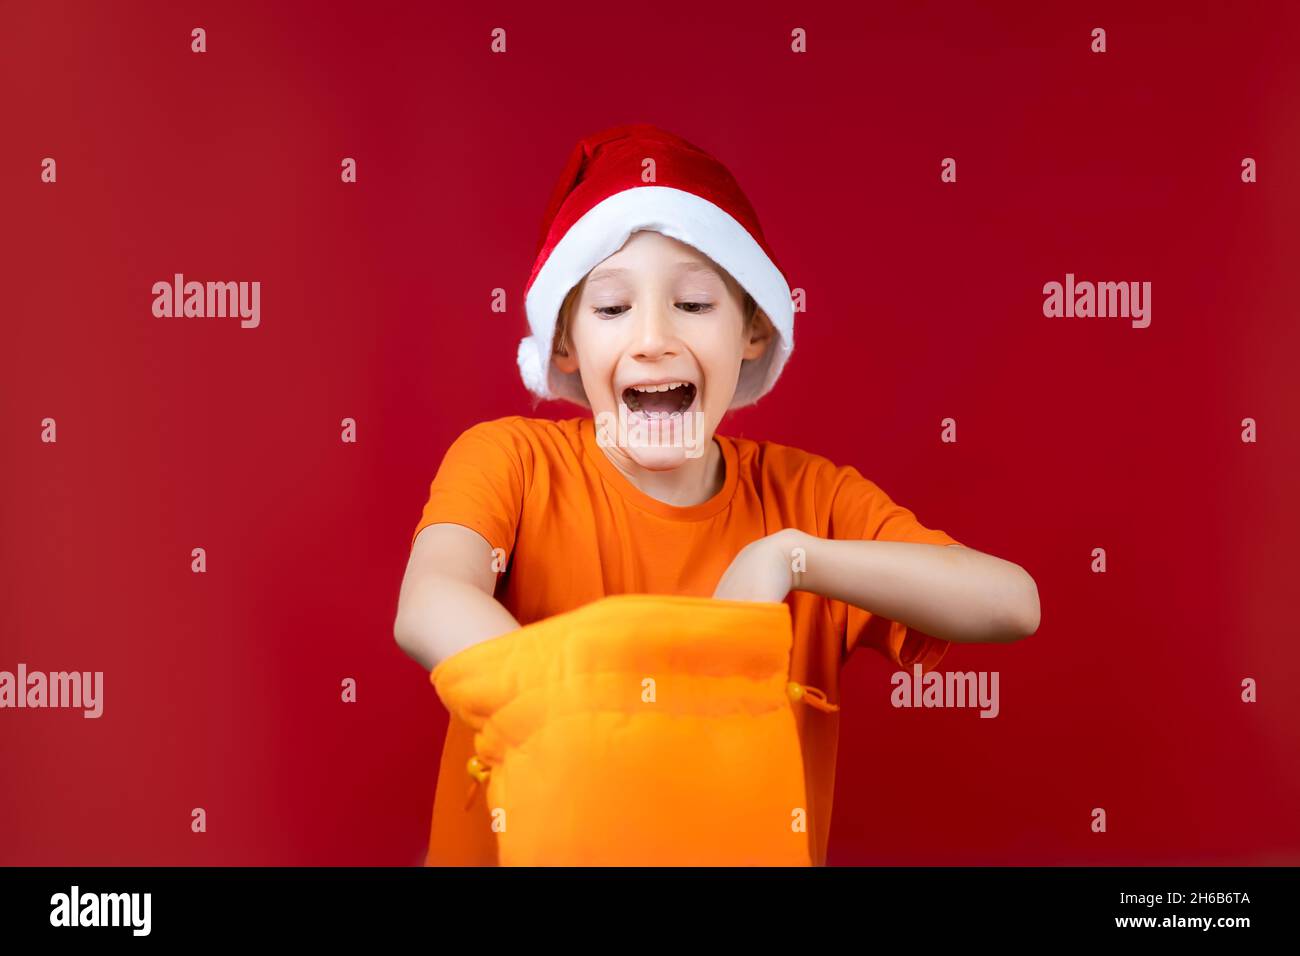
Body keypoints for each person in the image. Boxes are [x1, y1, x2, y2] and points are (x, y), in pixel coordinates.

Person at [393, 123, 1040, 866]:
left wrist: (792, 558)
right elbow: (429, 604)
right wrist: (599, 722)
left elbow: (1011, 601)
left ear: (753, 331)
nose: (653, 339)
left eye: (695, 304)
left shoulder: (806, 499)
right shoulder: (511, 459)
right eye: (611, 309)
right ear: (566, 343)